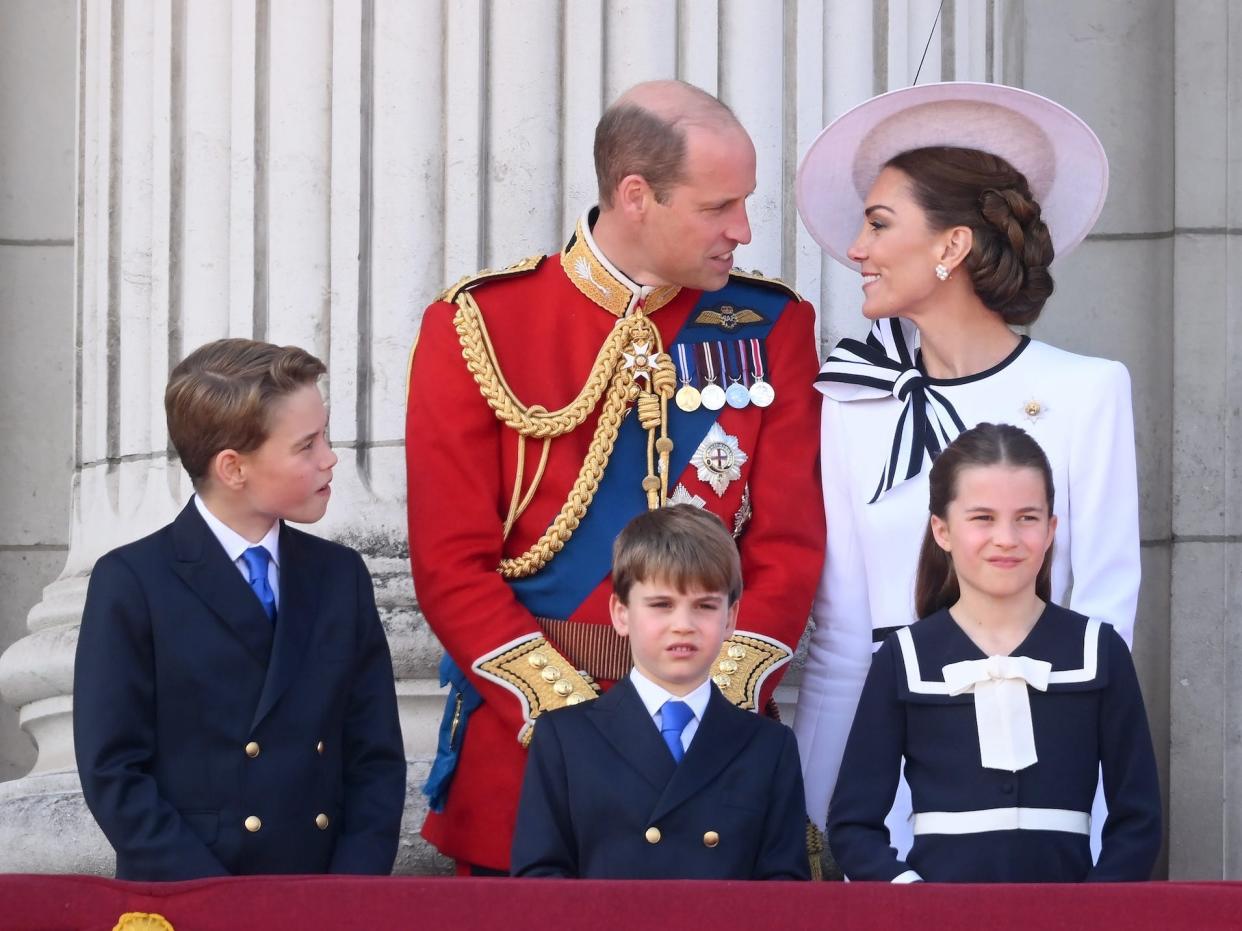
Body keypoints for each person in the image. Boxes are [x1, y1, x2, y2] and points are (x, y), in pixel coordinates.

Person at [406, 79, 824, 874]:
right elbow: (449, 566)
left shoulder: (773, 326)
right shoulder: (480, 324)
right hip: (534, 759)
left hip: (714, 753)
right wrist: (581, 728)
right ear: (637, 196)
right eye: (718, 206)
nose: (743, 229)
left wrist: (711, 703)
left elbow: (789, 546)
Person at [791, 82, 1141, 858]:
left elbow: (1105, 616)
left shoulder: (1088, 391)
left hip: (1037, 779)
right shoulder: (852, 400)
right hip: (886, 778)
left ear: (951, 247)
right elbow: (844, 634)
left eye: (879, 224)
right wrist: (819, 802)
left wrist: (1088, 808)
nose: (857, 248)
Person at [74, 339, 406, 881]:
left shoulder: (339, 576)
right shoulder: (133, 581)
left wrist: (350, 894)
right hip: (191, 897)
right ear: (233, 468)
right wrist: (215, 905)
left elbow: (375, 758)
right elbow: (114, 773)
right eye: (306, 445)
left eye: (325, 435)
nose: (330, 457)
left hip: (321, 898)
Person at [828, 423, 1160, 882]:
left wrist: (1090, 909)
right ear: (942, 530)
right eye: (983, 518)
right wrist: (913, 900)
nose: (1007, 538)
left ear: (1051, 529)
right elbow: (852, 827)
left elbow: (1139, 822)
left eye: (1027, 517)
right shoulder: (902, 657)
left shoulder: (1099, 651)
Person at [510, 505, 809, 879]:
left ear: (731, 618)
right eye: (661, 605)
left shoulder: (768, 747)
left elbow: (783, 894)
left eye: (704, 606)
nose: (682, 625)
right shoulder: (566, 739)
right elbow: (540, 885)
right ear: (621, 613)